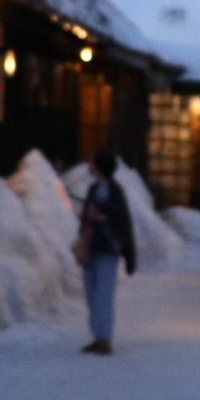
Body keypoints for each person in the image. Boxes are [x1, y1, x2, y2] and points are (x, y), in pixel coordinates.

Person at [75, 146, 136, 355]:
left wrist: (102, 214)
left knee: (103, 294)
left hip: (108, 249)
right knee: (91, 294)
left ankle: (104, 338)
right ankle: (97, 336)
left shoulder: (115, 190)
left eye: (92, 162)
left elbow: (121, 219)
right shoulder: (93, 189)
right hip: (91, 247)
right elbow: (85, 218)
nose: (89, 165)